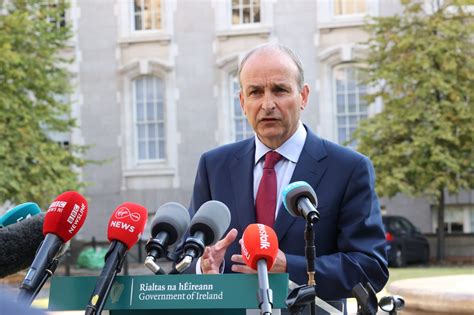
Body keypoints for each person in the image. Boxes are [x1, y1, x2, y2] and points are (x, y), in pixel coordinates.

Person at [189, 43, 388, 302]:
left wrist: (290, 267)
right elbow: (185, 255)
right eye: (255, 92)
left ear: (303, 96)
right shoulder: (213, 166)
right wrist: (203, 270)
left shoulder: (348, 168)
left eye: (280, 90)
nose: (267, 104)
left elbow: (370, 267)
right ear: (242, 101)